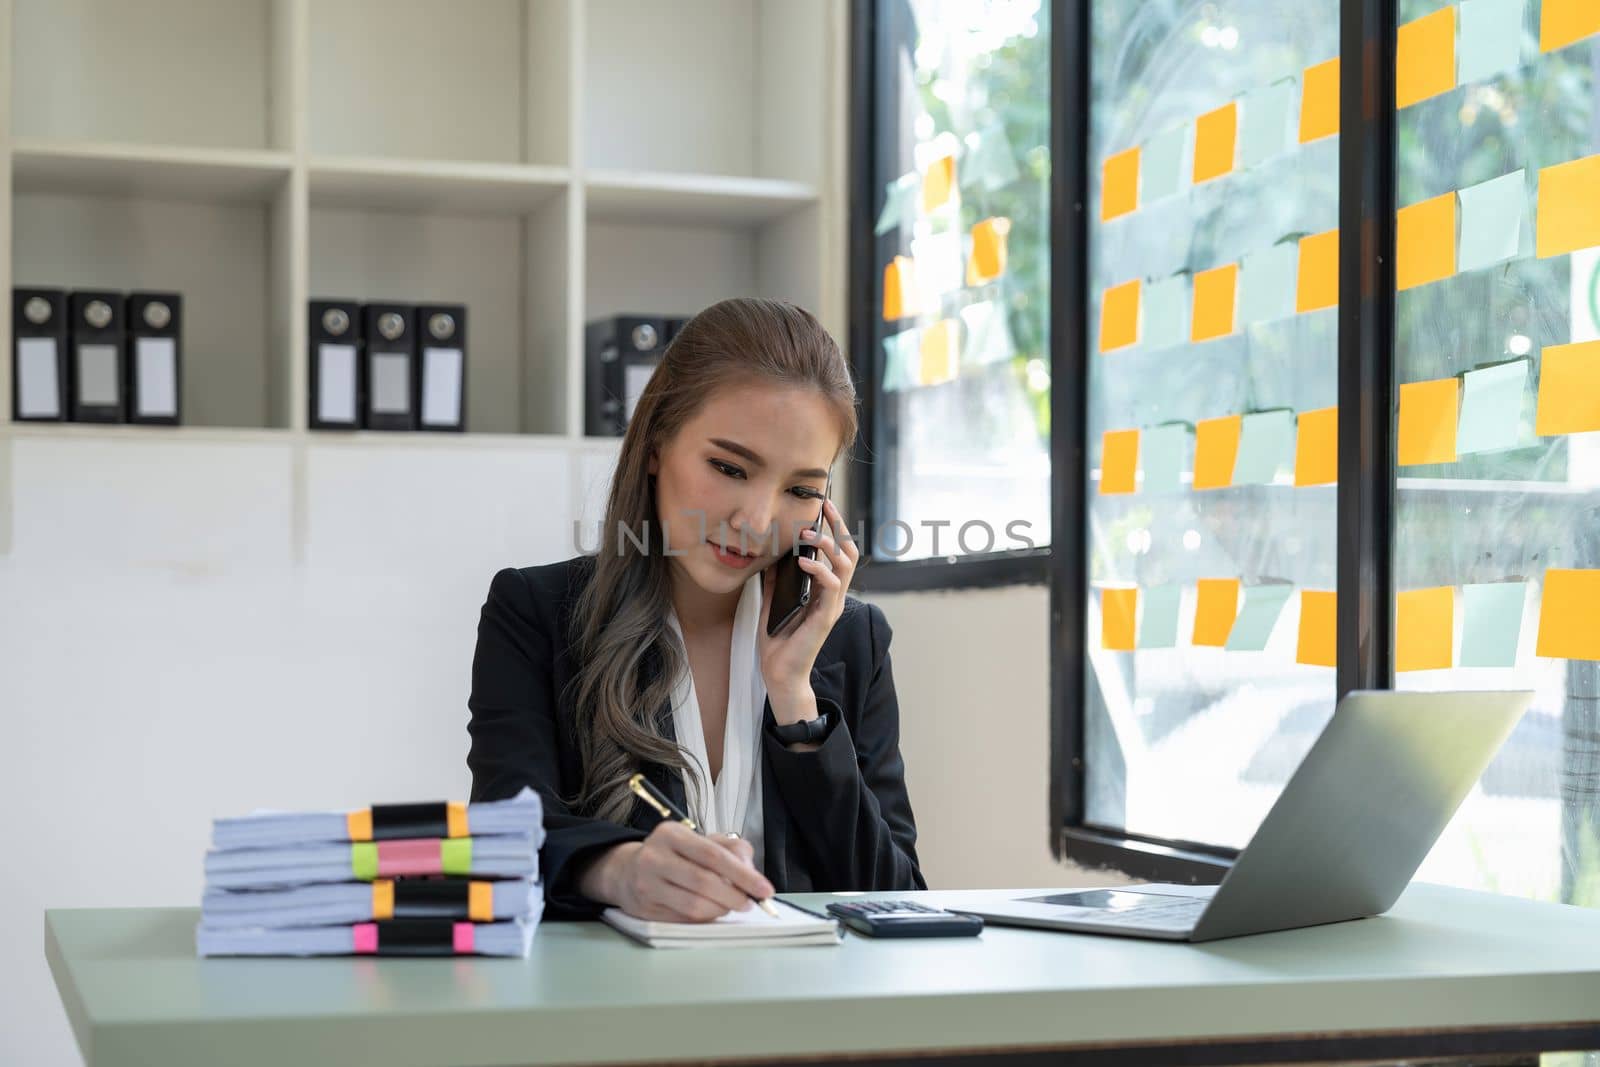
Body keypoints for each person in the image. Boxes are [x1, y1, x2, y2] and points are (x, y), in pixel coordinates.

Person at [466, 297, 925, 922]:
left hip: (807, 1006)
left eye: (800, 490)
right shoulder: (536, 614)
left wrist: (796, 706)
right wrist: (618, 870)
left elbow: (897, 897)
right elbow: (506, 842)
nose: (757, 521)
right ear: (657, 444)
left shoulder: (852, 641)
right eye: (729, 467)